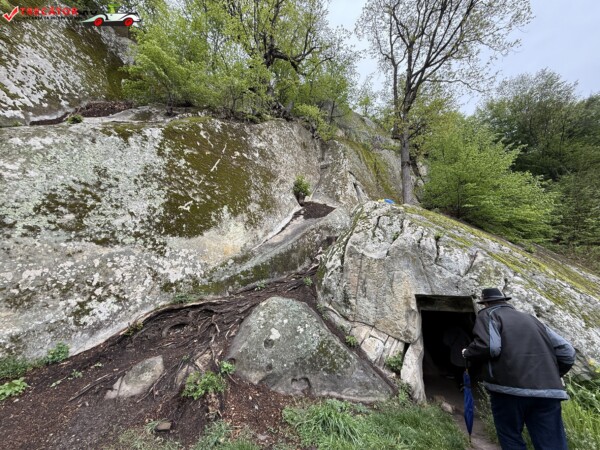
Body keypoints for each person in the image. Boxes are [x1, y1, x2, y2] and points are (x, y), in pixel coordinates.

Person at [462, 288, 576, 450]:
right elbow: (567, 352)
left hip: (509, 390)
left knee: (511, 437)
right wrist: (552, 374)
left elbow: (491, 347)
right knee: (552, 444)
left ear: (485, 303)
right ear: (505, 301)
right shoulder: (532, 319)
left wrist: (467, 352)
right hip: (548, 391)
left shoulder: (488, 314)